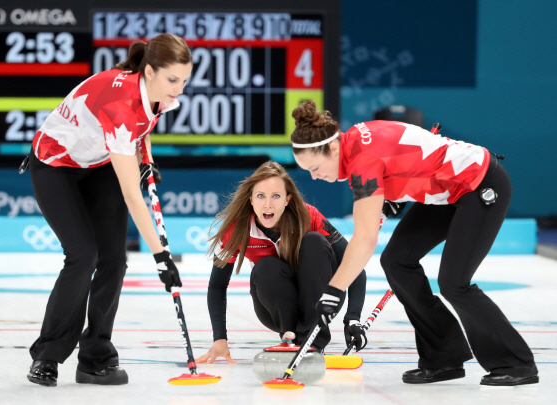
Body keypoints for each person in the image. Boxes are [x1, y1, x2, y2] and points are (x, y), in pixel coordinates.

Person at [291, 100, 538, 386]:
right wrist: (392, 196)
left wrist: (334, 290)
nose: (314, 176)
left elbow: (365, 238)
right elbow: (408, 152)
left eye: (315, 167)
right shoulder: (355, 138)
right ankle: (443, 357)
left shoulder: (362, 162)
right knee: (397, 260)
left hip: (479, 184)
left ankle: (517, 363)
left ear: (332, 149)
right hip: (446, 192)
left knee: (454, 283)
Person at [25, 34, 191, 387]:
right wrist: (162, 257)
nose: (179, 89)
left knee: (114, 259)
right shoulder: (120, 104)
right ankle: (48, 354)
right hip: (55, 165)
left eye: (184, 81)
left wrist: (145, 159)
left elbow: (141, 126)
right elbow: (133, 197)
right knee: (83, 256)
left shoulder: (157, 95)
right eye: (172, 80)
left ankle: (95, 357)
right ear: (149, 73)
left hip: (97, 162)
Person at [195, 161, 367, 364]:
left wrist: (353, 318)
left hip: (321, 303)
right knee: (266, 267)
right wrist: (220, 339)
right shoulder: (236, 228)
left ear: (288, 199)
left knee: (314, 241)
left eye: (276, 196)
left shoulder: (308, 215)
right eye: (261, 196)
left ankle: (313, 343)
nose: (268, 204)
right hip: (274, 309)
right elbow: (217, 286)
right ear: (250, 199)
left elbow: (354, 264)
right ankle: (290, 337)